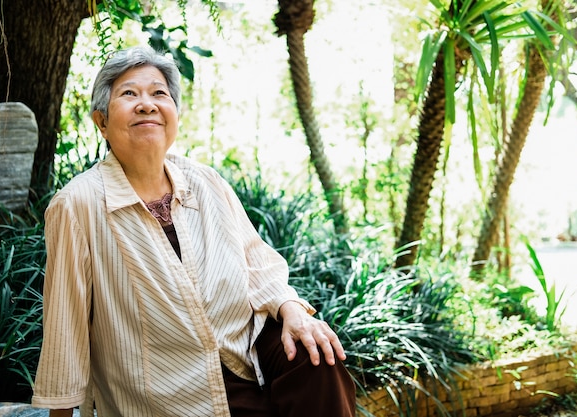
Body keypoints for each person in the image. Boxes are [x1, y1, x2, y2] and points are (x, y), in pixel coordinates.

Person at [31, 46, 356, 417]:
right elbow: (65, 324)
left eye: (159, 93)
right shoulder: (78, 204)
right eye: (129, 94)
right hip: (168, 400)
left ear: (175, 115)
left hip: (247, 364)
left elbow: (257, 263)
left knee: (318, 358)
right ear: (101, 122)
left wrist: (293, 309)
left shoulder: (206, 182)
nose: (147, 104)